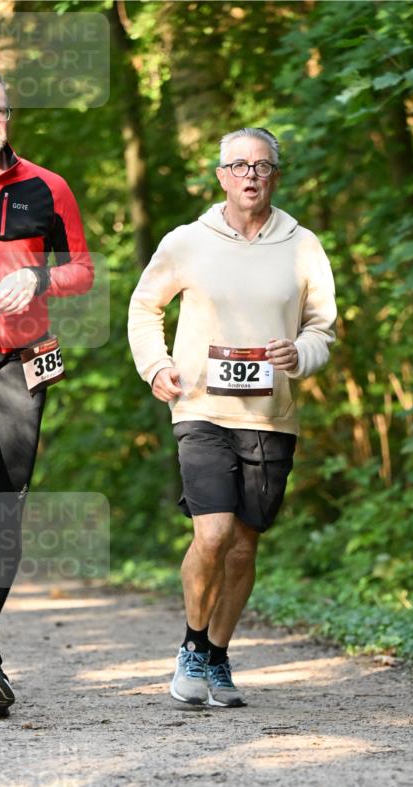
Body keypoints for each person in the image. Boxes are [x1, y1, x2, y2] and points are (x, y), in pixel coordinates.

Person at [128, 127, 336, 708]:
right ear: (221, 175)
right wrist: (156, 366)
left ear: (276, 175)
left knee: (244, 545)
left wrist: (302, 354)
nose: (250, 175)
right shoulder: (188, 242)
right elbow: (145, 307)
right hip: (199, 407)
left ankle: (218, 655)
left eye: (262, 166)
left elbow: (322, 327)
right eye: (239, 165)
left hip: (271, 418)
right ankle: (192, 647)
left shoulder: (303, 246)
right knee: (213, 533)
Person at [0, 66, 93, 717]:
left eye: (0, 110)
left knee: (7, 512)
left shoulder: (47, 186)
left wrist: (41, 281)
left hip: (21, 366)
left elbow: (82, 268)